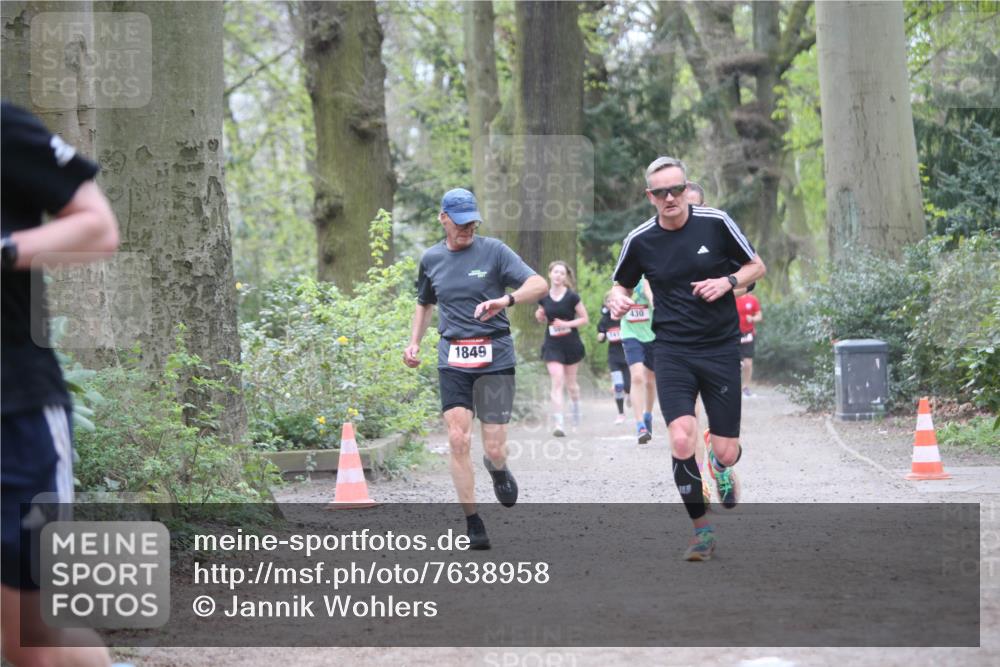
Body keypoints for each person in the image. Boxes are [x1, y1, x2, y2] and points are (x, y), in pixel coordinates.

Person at [2, 103, 122, 666]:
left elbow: (97, 227)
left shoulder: (5, 128)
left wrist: (7, 250)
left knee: (35, 643)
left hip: (15, 416)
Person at [609, 156, 766, 561]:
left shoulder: (716, 222)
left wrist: (727, 281)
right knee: (681, 439)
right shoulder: (640, 239)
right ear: (650, 197)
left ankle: (719, 459)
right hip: (673, 350)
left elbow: (756, 265)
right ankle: (702, 532)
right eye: (661, 192)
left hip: (720, 347)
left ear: (686, 188)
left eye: (676, 189)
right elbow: (619, 286)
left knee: (728, 450)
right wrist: (618, 301)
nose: (670, 198)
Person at [403, 188, 547, 550]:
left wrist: (507, 299)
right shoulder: (431, 259)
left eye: (473, 222)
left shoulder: (494, 251)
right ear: (443, 219)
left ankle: (497, 468)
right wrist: (415, 342)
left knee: (495, 447)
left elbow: (539, 283)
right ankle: (473, 522)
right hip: (453, 357)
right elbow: (424, 303)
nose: (468, 228)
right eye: (461, 222)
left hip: (495, 356)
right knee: (457, 437)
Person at [534, 261, 588, 436]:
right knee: (557, 380)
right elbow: (542, 316)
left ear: (565, 277)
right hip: (552, 344)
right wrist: (539, 315)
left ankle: (576, 410)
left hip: (571, 343)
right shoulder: (543, 297)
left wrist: (567, 323)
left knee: (571, 385)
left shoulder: (572, 297)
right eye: (555, 272)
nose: (558, 275)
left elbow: (584, 319)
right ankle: (559, 424)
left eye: (562, 273)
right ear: (549, 274)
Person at [620, 276, 657, 444]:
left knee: (650, 381)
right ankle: (640, 424)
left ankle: (648, 414)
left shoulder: (654, 271)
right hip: (630, 333)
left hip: (652, 333)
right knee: (637, 377)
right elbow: (616, 294)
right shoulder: (625, 273)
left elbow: (654, 298)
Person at [596, 291, 630, 424]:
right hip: (613, 356)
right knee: (618, 385)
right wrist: (601, 336)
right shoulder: (604, 319)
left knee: (628, 385)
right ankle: (620, 413)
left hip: (627, 354)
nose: (612, 304)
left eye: (614, 301)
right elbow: (601, 334)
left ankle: (631, 394)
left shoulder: (625, 316)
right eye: (609, 301)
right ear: (606, 304)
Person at [734, 288, 762, 397]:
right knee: (734, 362)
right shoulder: (732, 299)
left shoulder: (752, 300)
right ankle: (732, 388)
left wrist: (753, 318)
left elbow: (759, 316)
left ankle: (745, 387)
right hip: (733, 334)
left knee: (748, 363)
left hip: (748, 334)